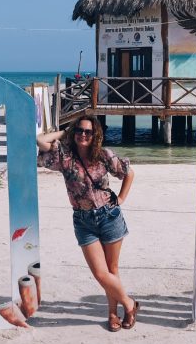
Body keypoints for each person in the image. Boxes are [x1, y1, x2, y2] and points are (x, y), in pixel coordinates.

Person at [37, 117, 139, 331]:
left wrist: (121, 198)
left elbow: (128, 173)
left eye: (88, 132)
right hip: (83, 221)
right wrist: (64, 132)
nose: (83, 135)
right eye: (80, 131)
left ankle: (113, 314)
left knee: (112, 269)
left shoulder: (103, 156)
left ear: (95, 135)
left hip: (109, 216)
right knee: (101, 273)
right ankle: (129, 304)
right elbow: (40, 140)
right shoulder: (64, 157)